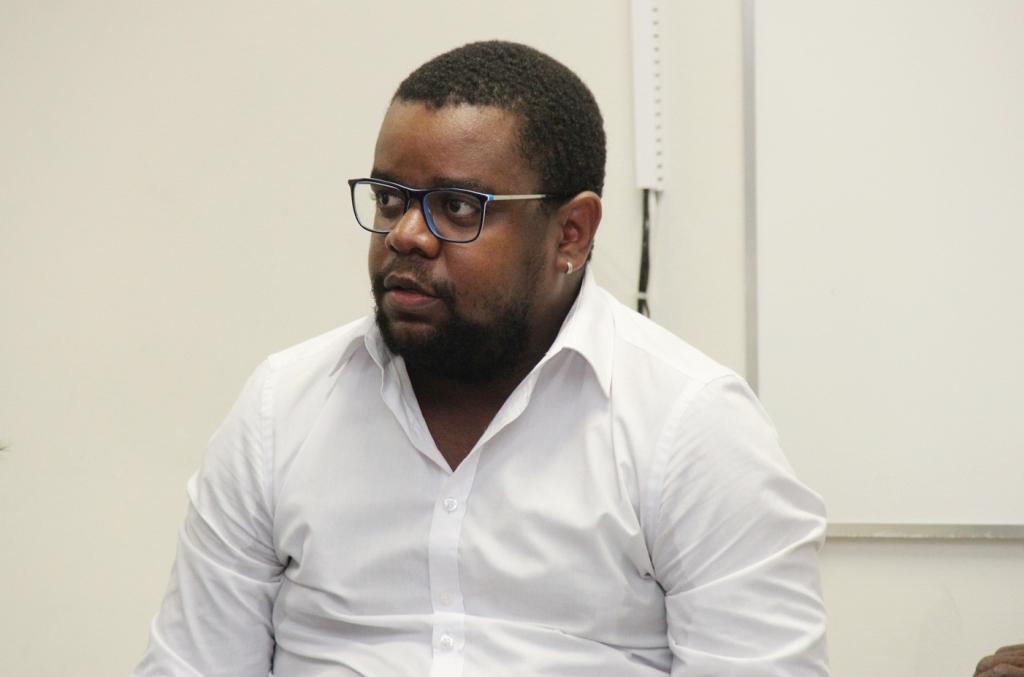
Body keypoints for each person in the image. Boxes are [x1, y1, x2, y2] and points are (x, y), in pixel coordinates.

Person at [133, 40, 828, 676]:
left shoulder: (691, 427)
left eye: (458, 207)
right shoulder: (282, 406)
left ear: (571, 232)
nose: (407, 234)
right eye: (391, 198)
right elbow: (192, 664)